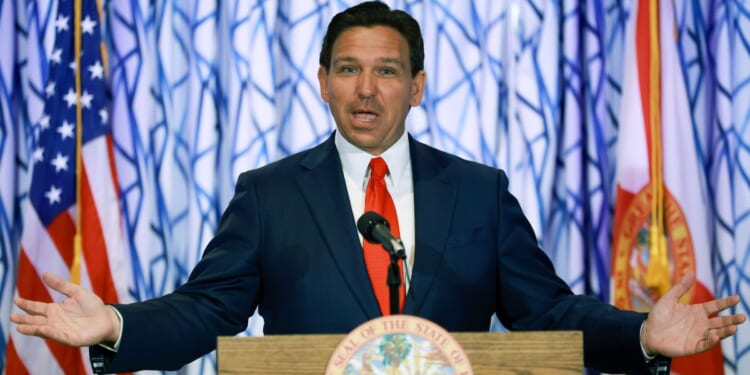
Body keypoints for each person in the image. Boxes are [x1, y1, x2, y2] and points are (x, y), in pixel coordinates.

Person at [11, 2, 745, 374]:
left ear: (418, 86)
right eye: (349, 69)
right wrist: (115, 324)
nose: (367, 89)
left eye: (388, 70)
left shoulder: (480, 192)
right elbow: (209, 310)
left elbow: (544, 310)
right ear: (323, 82)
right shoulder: (267, 193)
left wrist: (642, 337)